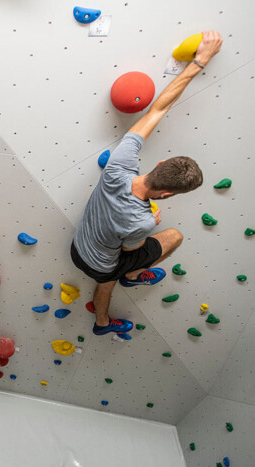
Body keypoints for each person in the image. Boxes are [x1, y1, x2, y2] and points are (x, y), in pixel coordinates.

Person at [71, 31, 223, 336]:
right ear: (166, 193)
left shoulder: (119, 164)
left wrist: (199, 62)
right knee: (173, 236)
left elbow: (158, 109)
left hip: (78, 249)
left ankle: (102, 322)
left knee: (108, 277)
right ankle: (135, 275)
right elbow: (133, 247)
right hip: (103, 263)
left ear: (156, 164)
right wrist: (149, 222)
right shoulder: (141, 220)